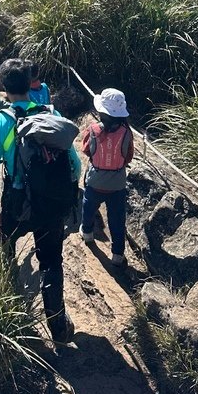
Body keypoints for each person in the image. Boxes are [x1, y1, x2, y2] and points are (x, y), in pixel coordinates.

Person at [0, 58, 81, 343]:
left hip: (16, 201)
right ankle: (58, 326)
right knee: (51, 260)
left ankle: (12, 314)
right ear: (30, 83)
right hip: (49, 201)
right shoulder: (52, 113)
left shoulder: (1, 121)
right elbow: (75, 164)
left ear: (3, 86)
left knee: (5, 248)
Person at [79, 88, 134, 267]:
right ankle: (117, 254)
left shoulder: (93, 130)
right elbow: (128, 156)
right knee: (117, 219)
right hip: (117, 184)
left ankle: (87, 233)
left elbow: (86, 149)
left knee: (88, 208)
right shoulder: (126, 133)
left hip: (95, 180)